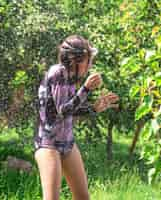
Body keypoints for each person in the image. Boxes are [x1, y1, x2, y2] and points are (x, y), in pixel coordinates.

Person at [34, 35, 119, 200]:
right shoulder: (57, 73)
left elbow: (71, 110)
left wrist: (94, 108)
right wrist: (86, 89)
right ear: (77, 60)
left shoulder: (71, 78)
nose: (90, 64)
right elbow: (63, 111)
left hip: (67, 143)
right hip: (49, 144)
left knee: (83, 197)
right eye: (89, 60)